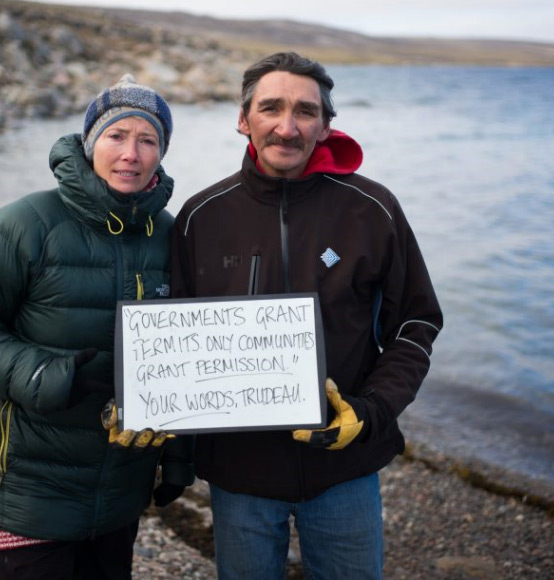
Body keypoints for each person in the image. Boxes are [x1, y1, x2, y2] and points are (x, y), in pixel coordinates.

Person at [171, 52, 443, 579]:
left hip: (345, 467)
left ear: (325, 126)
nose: (287, 126)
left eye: (305, 112)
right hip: (239, 473)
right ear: (243, 118)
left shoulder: (373, 209)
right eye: (270, 108)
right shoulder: (201, 217)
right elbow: (175, 344)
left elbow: (416, 324)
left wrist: (370, 411)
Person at [0, 74, 194, 580]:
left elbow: (184, 358)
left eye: (148, 140)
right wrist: (50, 374)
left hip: (122, 485)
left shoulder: (171, 236)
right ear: (89, 141)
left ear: (161, 152)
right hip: (33, 483)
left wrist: (179, 456)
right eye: (117, 136)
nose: (131, 154)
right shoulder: (21, 225)